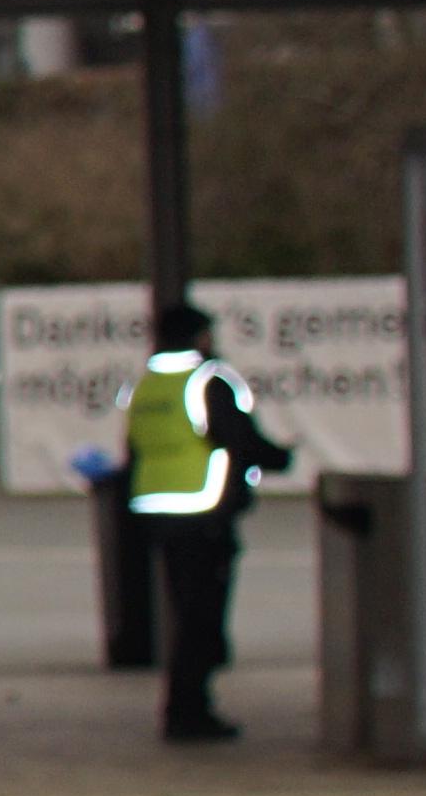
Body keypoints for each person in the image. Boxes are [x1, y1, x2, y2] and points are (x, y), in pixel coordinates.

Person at [123, 297, 298, 743]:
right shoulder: (207, 381)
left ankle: (185, 706)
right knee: (201, 621)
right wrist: (282, 458)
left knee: (185, 614)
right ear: (201, 336)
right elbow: (240, 439)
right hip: (204, 513)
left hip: (159, 514)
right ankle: (189, 711)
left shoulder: (148, 385)